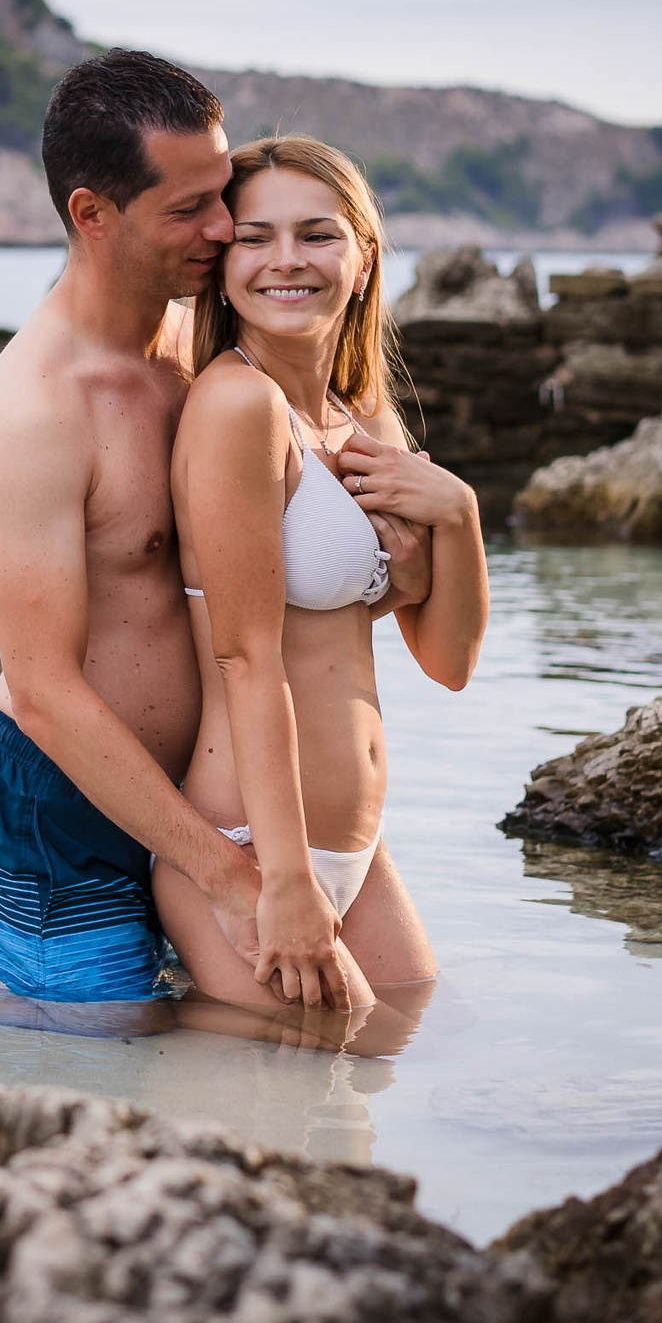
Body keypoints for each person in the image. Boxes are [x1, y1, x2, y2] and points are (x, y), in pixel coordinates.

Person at [0, 50, 429, 1020]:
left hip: (201, 803)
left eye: (220, 198)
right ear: (93, 215)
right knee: (98, 1076)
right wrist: (232, 876)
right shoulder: (36, 410)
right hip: (56, 820)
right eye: (188, 210)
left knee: (364, 1040)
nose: (221, 231)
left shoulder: (198, 351)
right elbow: (42, 692)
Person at [165, 135, 488, 1014]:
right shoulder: (238, 405)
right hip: (259, 850)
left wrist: (457, 511)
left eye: (316, 234)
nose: (286, 261)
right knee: (286, 1112)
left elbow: (449, 660)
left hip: (356, 849)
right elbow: (246, 660)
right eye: (255, 237)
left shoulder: (359, 414)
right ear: (223, 262)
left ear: (364, 254)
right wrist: (286, 881)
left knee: (387, 1080)